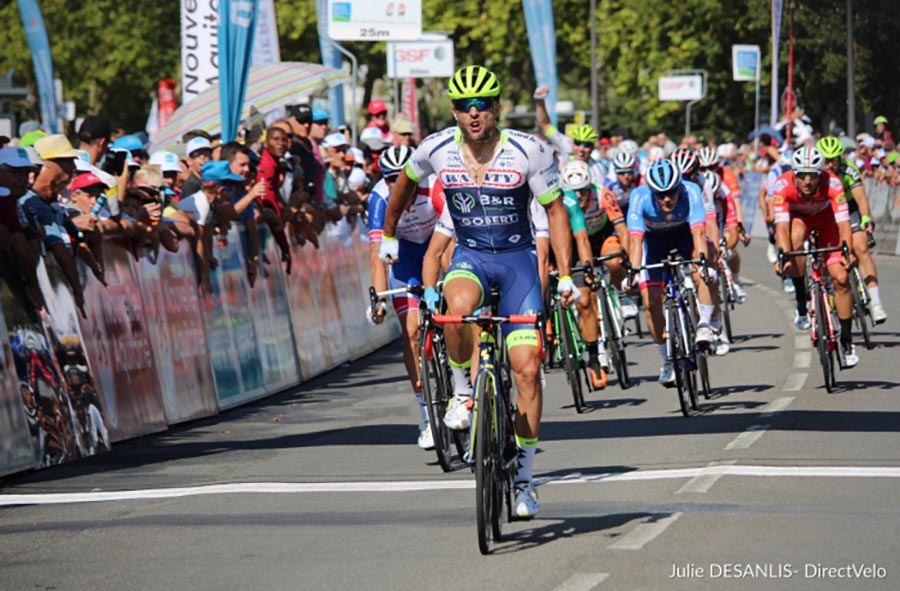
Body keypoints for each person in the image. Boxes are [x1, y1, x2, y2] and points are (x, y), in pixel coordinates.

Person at [380, 65, 576, 519]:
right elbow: (403, 184)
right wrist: (389, 235)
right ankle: (464, 391)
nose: (473, 114)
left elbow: (558, 212)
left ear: (496, 108)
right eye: (465, 107)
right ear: (452, 110)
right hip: (470, 257)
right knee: (457, 307)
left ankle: (526, 480)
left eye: (482, 105)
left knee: (526, 369)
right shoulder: (437, 148)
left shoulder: (530, 150)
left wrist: (565, 275)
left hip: (518, 263)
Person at [367, 145, 443, 449]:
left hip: (440, 247)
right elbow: (376, 256)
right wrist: (379, 300)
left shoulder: (435, 183)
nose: (397, 184)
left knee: (456, 312)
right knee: (410, 330)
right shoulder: (379, 199)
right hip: (406, 258)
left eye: (402, 177)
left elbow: (451, 238)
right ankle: (426, 413)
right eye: (389, 178)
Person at [624, 159, 718, 386]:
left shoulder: (691, 191)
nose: (667, 198)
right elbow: (635, 241)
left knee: (703, 269)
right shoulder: (639, 197)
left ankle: (705, 324)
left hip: (684, 235)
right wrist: (633, 273)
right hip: (653, 243)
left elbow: (698, 232)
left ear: (680, 187)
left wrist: (703, 263)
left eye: (671, 192)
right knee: (651, 302)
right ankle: (666, 360)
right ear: (651, 192)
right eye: (660, 194)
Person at [772, 146, 858, 367]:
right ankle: (802, 302)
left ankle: (847, 341)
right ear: (794, 174)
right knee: (795, 240)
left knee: (841, 278)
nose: (807, 181)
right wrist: (784, 257)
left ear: (821, 175)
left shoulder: (834, 184)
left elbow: (843, 223)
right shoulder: (782, 186)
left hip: (828, 221)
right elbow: (781, 228)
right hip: (799, 220)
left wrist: (847, 251)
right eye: (802, 176)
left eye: (813, 176)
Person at [558, 159, 629, 388]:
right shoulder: (561, 200)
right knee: (584, 298)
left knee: (615, 259)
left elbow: (621, 228)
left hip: (601, 238)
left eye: (583, 191)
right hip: (575, 244)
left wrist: (627, 258)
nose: (579, 197)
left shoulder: (603, 194)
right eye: (574, 192)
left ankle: (621, 293)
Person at [816, 136, 887, 323]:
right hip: (824, 210)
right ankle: (825, 292)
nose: (831, 164)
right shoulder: (814, 172)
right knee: (823, 252)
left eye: (835, 159)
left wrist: (865, 219)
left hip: (847, 207)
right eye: (827, 160)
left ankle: (876, 303)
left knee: (861, 247)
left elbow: (861, 198)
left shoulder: (848, 169)